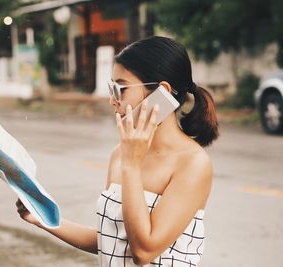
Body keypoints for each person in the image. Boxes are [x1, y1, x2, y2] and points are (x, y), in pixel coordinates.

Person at [16, 36, 219, 266]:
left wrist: (132, 165)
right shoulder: (119, 154)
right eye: (111, 88)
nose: (113, 101)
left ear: (162, 92)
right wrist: (42, 218)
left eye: (120, 89)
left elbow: (143, 251)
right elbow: (110, 239)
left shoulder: (192, 164)